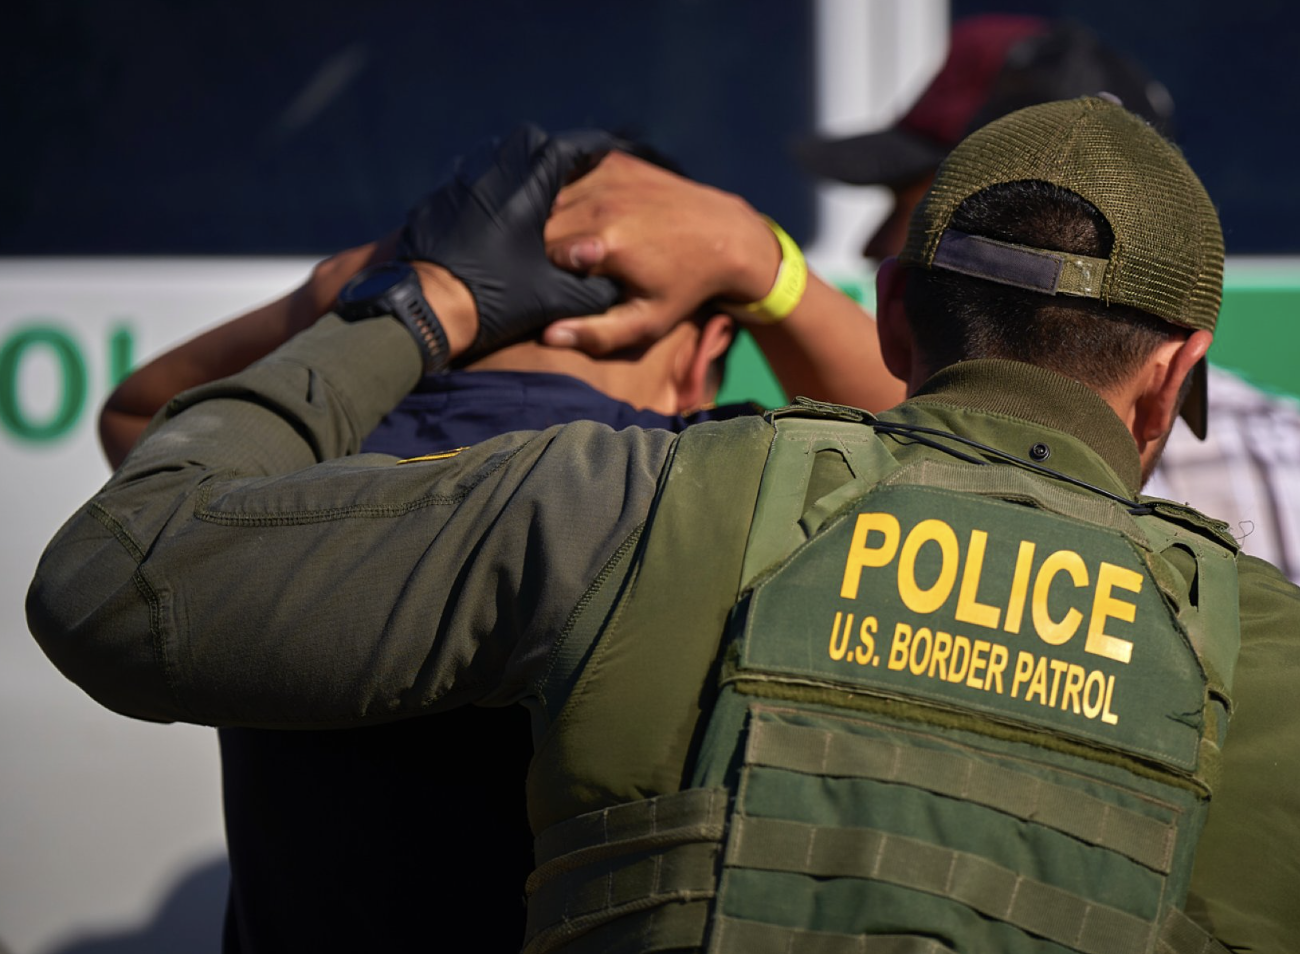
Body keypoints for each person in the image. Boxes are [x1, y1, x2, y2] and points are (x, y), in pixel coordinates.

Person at [30, 97, 1300, 952]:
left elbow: (126, 551)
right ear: (1171, 376)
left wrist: (402, 303)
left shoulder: (665, 509)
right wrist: (770, 267)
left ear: (903, 316)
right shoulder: (1291, 675)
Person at [96, 128, 903, 952]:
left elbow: (139, 413)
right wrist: (766, 268)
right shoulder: (726, 489)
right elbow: (938, 453)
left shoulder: (288, 472)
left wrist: (362, 296)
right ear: (703, 354)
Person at [773, 15, 1300, 953]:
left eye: (908, 193)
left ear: (1004, 213)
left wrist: (760, 277)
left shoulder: (878, 495)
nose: (878, 225)